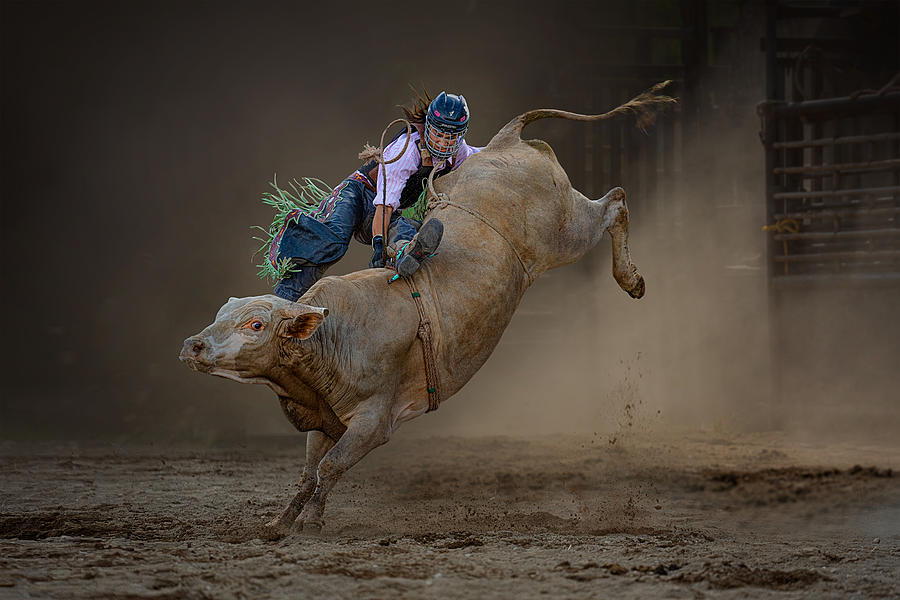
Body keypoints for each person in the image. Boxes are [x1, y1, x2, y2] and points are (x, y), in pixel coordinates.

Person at [267, 90, 481, 301]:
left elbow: (481, 156)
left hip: (384, 211)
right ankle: (286, 296)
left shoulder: (458, 152)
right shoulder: (407, 150)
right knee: (333, 240)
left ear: (461, 134)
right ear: (429, 129)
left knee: (405, 228)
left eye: (451, 137)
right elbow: (384, 207)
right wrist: (378, 248)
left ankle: (404, 253)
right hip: (358, 193)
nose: (444, 143)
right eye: (439, 135)